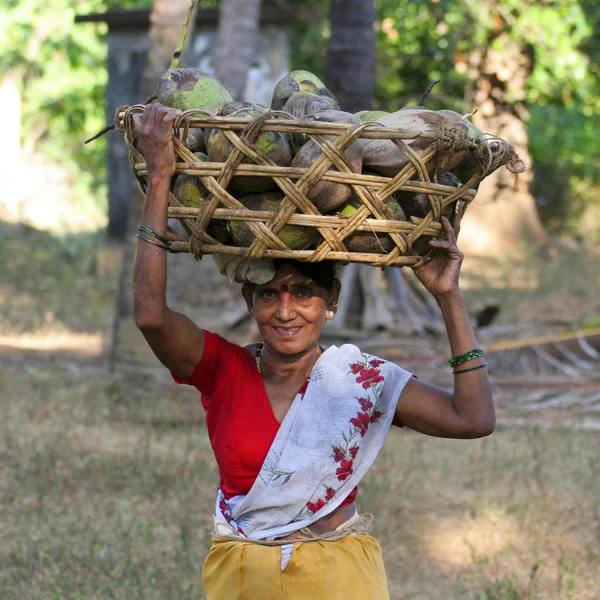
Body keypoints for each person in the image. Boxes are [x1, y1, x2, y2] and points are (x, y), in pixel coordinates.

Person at [132, 103, 495, 599]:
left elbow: (472, 419)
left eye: (303, 292)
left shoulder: (358, 381)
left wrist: (448, 296)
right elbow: (152, 317)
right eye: (269, 294)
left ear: (331, 302)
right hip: (243, 579)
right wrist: (160, 180)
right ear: (249, 301)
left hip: (338, 579)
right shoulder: (223, 369)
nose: (286, 310)